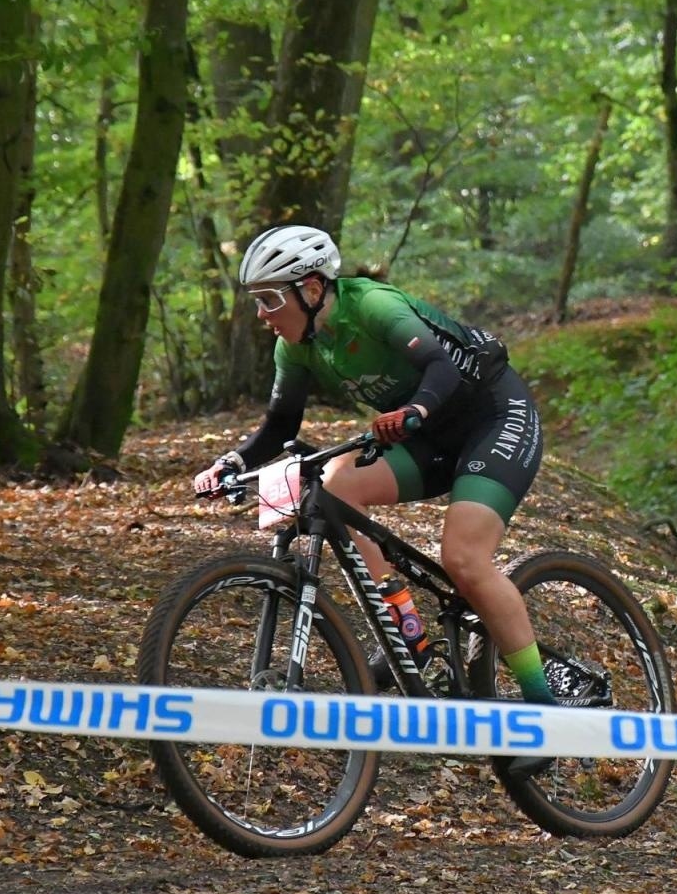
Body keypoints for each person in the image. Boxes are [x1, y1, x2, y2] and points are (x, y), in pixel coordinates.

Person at [193, 224, 557, 775]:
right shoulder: (294, 348)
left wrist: (414, 412)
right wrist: (233, 463)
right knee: (337, 484)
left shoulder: (373, 306)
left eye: (270, 299)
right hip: (423, 435)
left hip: (492, 417)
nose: (262, 314)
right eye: (256, 301)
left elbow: (439, 367)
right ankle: (407, 633)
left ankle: (545, 716)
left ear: (312, 290)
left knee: (464, 559)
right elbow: (280, 424)